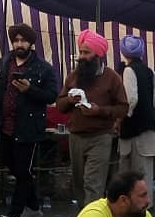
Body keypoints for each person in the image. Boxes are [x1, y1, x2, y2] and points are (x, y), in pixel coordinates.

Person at [0, 23, 60, 217]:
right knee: (14, 167)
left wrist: (30, 90)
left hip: (28, 128)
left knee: (23, 170)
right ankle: (33, 206)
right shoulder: (3, 63)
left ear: (31, 44)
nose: (19, 44)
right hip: (5, 126)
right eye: (16, 40)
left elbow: (51, 96)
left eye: (23, 40)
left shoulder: (44, 68)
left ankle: (14, 215)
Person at [55, 30, 129, 208]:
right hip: (76, 137)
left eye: (86, 53)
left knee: (93, 184)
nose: (82, 56)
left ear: (98, 55)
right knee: (79, 184)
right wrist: (70, 100)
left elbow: (123, 108)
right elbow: (59, 104)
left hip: (100, 137)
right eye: (81, 52)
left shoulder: (112, 78)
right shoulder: (73, 76)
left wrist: (100, 111)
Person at [115, 34, 155, 200]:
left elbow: (131, 99)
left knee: (128, 173)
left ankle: (133, 206)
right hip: (147, 125)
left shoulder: (128, 70)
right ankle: (146, 205)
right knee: (145, 172)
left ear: (124, 52)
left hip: (133, 128)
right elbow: (152, 99)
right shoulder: (150, 71)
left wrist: (121, 118)